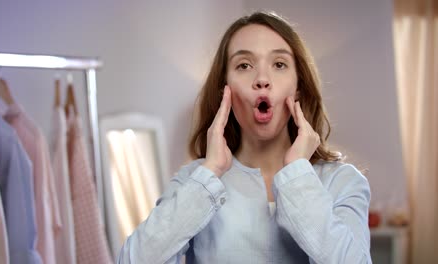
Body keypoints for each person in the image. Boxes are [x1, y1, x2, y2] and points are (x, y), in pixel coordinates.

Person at [117, 11, 371, 264]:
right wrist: (211, 172)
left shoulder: (343, 182)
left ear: (298, 90)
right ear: (224, 90)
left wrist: (298, 174)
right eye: (244, 65)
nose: (262, 79)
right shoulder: (194, 180)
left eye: (279, 64)